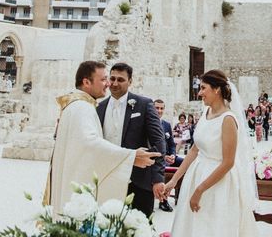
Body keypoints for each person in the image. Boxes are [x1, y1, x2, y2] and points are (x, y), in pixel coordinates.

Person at [43, 61, 159, 216]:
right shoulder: (83, 108)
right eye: (104, 79)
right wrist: (130, 156)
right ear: (86, 82)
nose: (108, 84)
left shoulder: (79, 106)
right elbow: (91, 144)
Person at [165, 69, 258, 236]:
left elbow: (228, 162)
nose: (200, 93)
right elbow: (194, 150)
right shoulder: (206, 113)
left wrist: (200, 190)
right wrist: (174, 180)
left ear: (216, 89)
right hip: (196, 174)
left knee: (212, 227)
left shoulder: (228, 119)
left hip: (218, 183)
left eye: (203, 88)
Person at [96, 62, 166, 217]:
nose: (114, 83)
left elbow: (158, 141)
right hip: (108, 179)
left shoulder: (144, 104)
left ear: (130, 81)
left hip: (138, 181)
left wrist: (157, 178)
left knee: (139, 228)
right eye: (112, 79)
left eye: (120, 80)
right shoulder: (99, 107)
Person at [154, 98, 183, 212]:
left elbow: (171, 143)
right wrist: (163, 156)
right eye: (157, 108)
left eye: (161, 108)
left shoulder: (166, 125)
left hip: (169, 157)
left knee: (186, 163)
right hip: (158, 158)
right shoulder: (148, 123)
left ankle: (181, 195)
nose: (159, 111)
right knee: (162, 166)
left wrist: (173, 154)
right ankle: (163, 201)